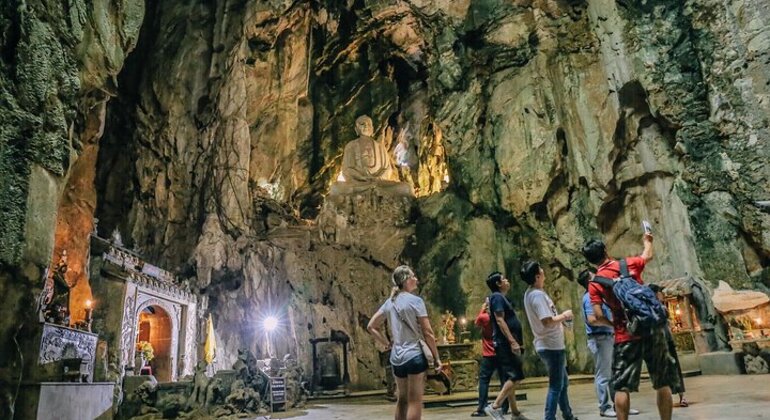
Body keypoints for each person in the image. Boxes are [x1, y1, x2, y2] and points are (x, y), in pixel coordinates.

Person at [582, 233, 680, 420]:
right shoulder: (626, 265)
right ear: (605, 250)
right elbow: (647, 256)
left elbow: (598, 315)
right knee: (662, 383)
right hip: (652, 331)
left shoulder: (595, 283)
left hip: (625, 335)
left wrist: (615, 325)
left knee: (621, 387)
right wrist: (647, 241)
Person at [367, 265, 442, 420]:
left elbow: (371, 326)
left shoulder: (390, 302)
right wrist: (437, 358)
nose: (416, 279)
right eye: (413, 276)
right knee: (415, 401)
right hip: (414, 355)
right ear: (406, 280)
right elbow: (428, 332)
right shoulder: (416, 301)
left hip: (397, 358)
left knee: (402, 400)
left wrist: (387, 344)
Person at [578, 269, 640, 418]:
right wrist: (612, 324)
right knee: (603, 374)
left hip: (608, 336)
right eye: (594, 277)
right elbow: (592, 319)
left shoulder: (600, 296)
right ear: (589, 281)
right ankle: (604, 406)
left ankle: (620, 405)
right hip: (600, 338)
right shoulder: (589, 298)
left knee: (614, 373)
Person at [520, 261, 578, 420]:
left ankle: (567, 414)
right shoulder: (537, 295)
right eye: (541, 270)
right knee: (555, 386)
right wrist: (565, 316)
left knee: (562, 383)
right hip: (551, 346)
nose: (544, 271)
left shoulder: (532, 292)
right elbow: (546, 320)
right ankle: (549, 417)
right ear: (537, 276)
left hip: (550, 344)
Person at [483, 272, 530, 420]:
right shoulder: (497, 297)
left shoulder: (500, 298)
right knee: (515, 376)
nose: (507, 281)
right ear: (498, 283)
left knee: (511, 377)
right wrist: (512, 341)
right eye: (504, 279)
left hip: (506, 343)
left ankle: (515, 413)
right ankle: (495, 406)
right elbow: (500, 320)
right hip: (504, 344)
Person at [648, 284, 688, 408]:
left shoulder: (658, 306)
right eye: (660, 293)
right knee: (665, 371)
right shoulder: (653, 307)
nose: (663, 296)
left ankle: (680, 395)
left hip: (665, 340)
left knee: (674, 368)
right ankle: (669, 397)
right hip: (659, 342)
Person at [471, 298, 509, 417]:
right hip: (501, 352)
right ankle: (504, 406)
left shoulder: (484, 317)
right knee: (504, 380)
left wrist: (482, 309)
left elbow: (476, 322)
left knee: (484, 380)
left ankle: (482, 408)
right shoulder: (500, 317)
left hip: (489, 354)